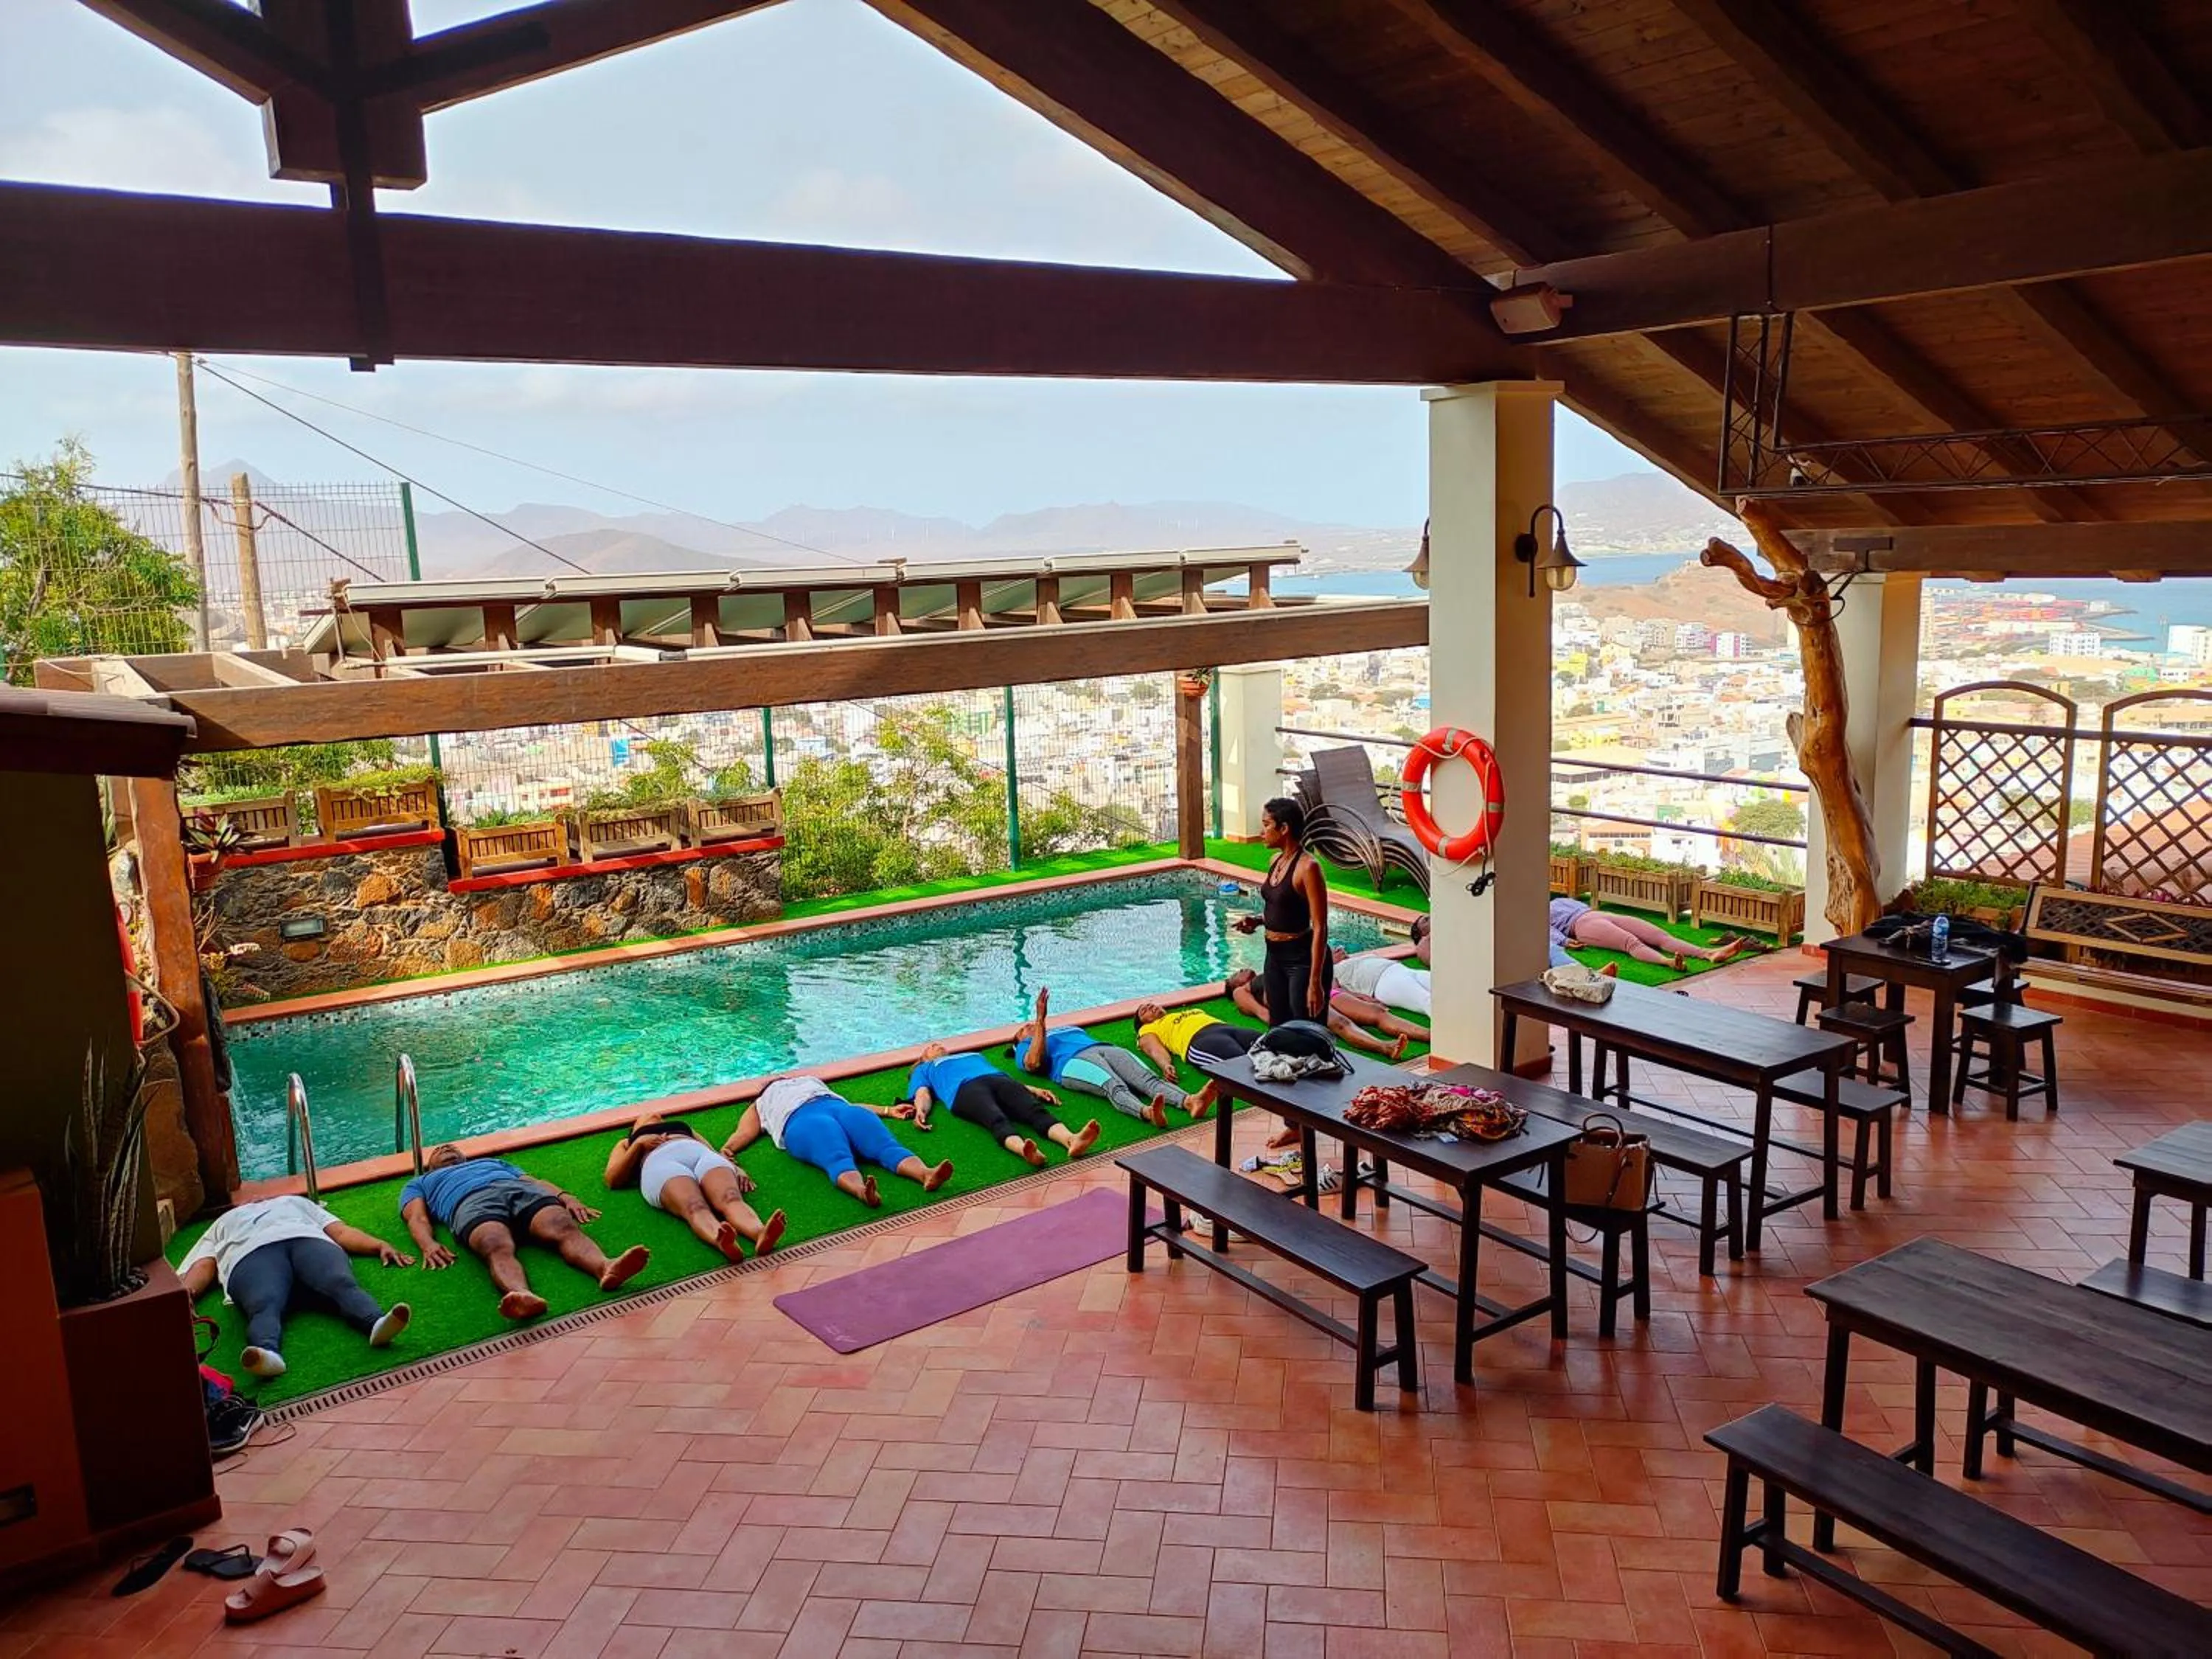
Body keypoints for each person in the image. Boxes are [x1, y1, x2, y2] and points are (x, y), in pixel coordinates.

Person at [400, 1146, 650, 1321]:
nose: (446, 1148)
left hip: (517, 1189)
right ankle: (523, 1295)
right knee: (493, 1243)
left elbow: (534, 1181)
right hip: (470, 1202)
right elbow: (416, 1217)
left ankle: (605, 1267)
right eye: (439, 1150)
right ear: (429, 1167)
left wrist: (566, 1198)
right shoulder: (420, 1183)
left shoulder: (493, 1162)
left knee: (562, 1224)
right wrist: (428, 1244)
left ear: (465, 1157)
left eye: (451, 1148)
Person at [178, 1194, 412, 1380]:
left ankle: (377, 1323)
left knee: (339, 1282)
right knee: (263, 1302)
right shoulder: (224, 1221)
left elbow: (341, 1232)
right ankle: (266, 1353)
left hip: (308, 1240)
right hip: (251, 1254)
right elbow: (204, 1264)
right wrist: (186, 1294)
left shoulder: (295, 1201)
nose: (256, 1196)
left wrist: (378, 1245)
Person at [723, 1074, 954, 1208]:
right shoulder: (761, 1103)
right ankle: (862, 1191)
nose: (774, 1079)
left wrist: (887, 1110)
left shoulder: (810, 1081)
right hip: (801, 1120)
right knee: (836, 1155)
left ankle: (926, 1174)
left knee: (884, 1145)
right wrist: (728, 1149)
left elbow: (853, 1106)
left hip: (839, 1108)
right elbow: (744, 1132)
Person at [1012, 986, 1212, 1126]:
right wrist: (1040, 1020)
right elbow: (1034, 1063)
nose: (1027, 1026)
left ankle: (1190, 1101)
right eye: (1022, 1030)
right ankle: (1147, 1112)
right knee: (1113, 1085)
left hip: (1103, 1048)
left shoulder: (1064, 1029)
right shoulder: (1024, 1046)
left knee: (1147, 1079)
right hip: (1072, 1062)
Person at [605, 1112, 787, 1262]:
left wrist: (736, 1168)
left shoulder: (684, 1128)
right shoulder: (627, 1143)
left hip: (700, 1155)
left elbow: (711, 1150)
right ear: (634, 1128)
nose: (652, 1114)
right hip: (661, 1162)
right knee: (694, 1206)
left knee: (731, 1197)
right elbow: (613, 1179)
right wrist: (638, 1145)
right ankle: (720, 1240)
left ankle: (760, 1233)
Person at [902, 1042, 1100, 1167]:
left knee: (1034, 1110)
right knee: (996, 1119)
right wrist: (921, 1111)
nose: (935, 1044)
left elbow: (1000, 1074)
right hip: (964, 1089)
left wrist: (1031, 1089)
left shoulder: (973, 1054)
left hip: (999, 1080)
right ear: (924, 1058)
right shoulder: (926, 1068)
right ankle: (1025, 1150)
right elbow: (922, 1093)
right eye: (929, 1048)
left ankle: (1071, 1140)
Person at [1232, 797, 1332, 1026]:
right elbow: (1283, 908)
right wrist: (1258, 921)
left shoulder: (1308, 868)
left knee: (1305, 1028)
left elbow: (1320, 926)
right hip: (1275, 956)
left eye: (1267, 825)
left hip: (1302, 959)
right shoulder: (1275, 861)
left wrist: (1315, 982)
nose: (1262, 832)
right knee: (1278, 1026)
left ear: (1284, 828)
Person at [1225, 967, 1413, 1060]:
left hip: (1313, 990)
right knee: (1341, 1023)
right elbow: (1265, 1014)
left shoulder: (1269, 969)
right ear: (1234, 985)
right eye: (1234, 975)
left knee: (1376, 1012)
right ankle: (1385, 1047)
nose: (1240, 970)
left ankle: (1428, 1035)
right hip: (1295, 997)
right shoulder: (1240, 991)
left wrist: (1352, 994)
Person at [1549, 895, 1747, 972]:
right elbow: (1545, 931)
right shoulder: (1538, 913)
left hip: (1601, 915)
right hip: (1582, 927)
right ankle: (1668, 962)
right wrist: (1565, 941)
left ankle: (1708, 953)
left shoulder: (1557, 901)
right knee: (1631, 943)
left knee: (1660, 936)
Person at [1132, 998, 1260, 1077]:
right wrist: (1165, 1065)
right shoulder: (1147, 1029)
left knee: (1269, 1044)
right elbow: (1153, 1048)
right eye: (1144, 1011)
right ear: (1142, 1023)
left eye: (1150, 1004)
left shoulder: (1180, 1014)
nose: (1149, 1007)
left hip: (1226, 1029)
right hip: (1201, 1040)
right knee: (1245, 1068)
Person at [1332, 945, 1431, 1020]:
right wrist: (1363, 998)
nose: (1340, 949)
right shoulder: (1331, 970)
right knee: (1426, 999)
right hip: (1383, 982)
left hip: (1403, 971)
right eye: (1334, 951)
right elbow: (1336, 991)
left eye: (1338, 948)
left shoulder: (1357, 958)